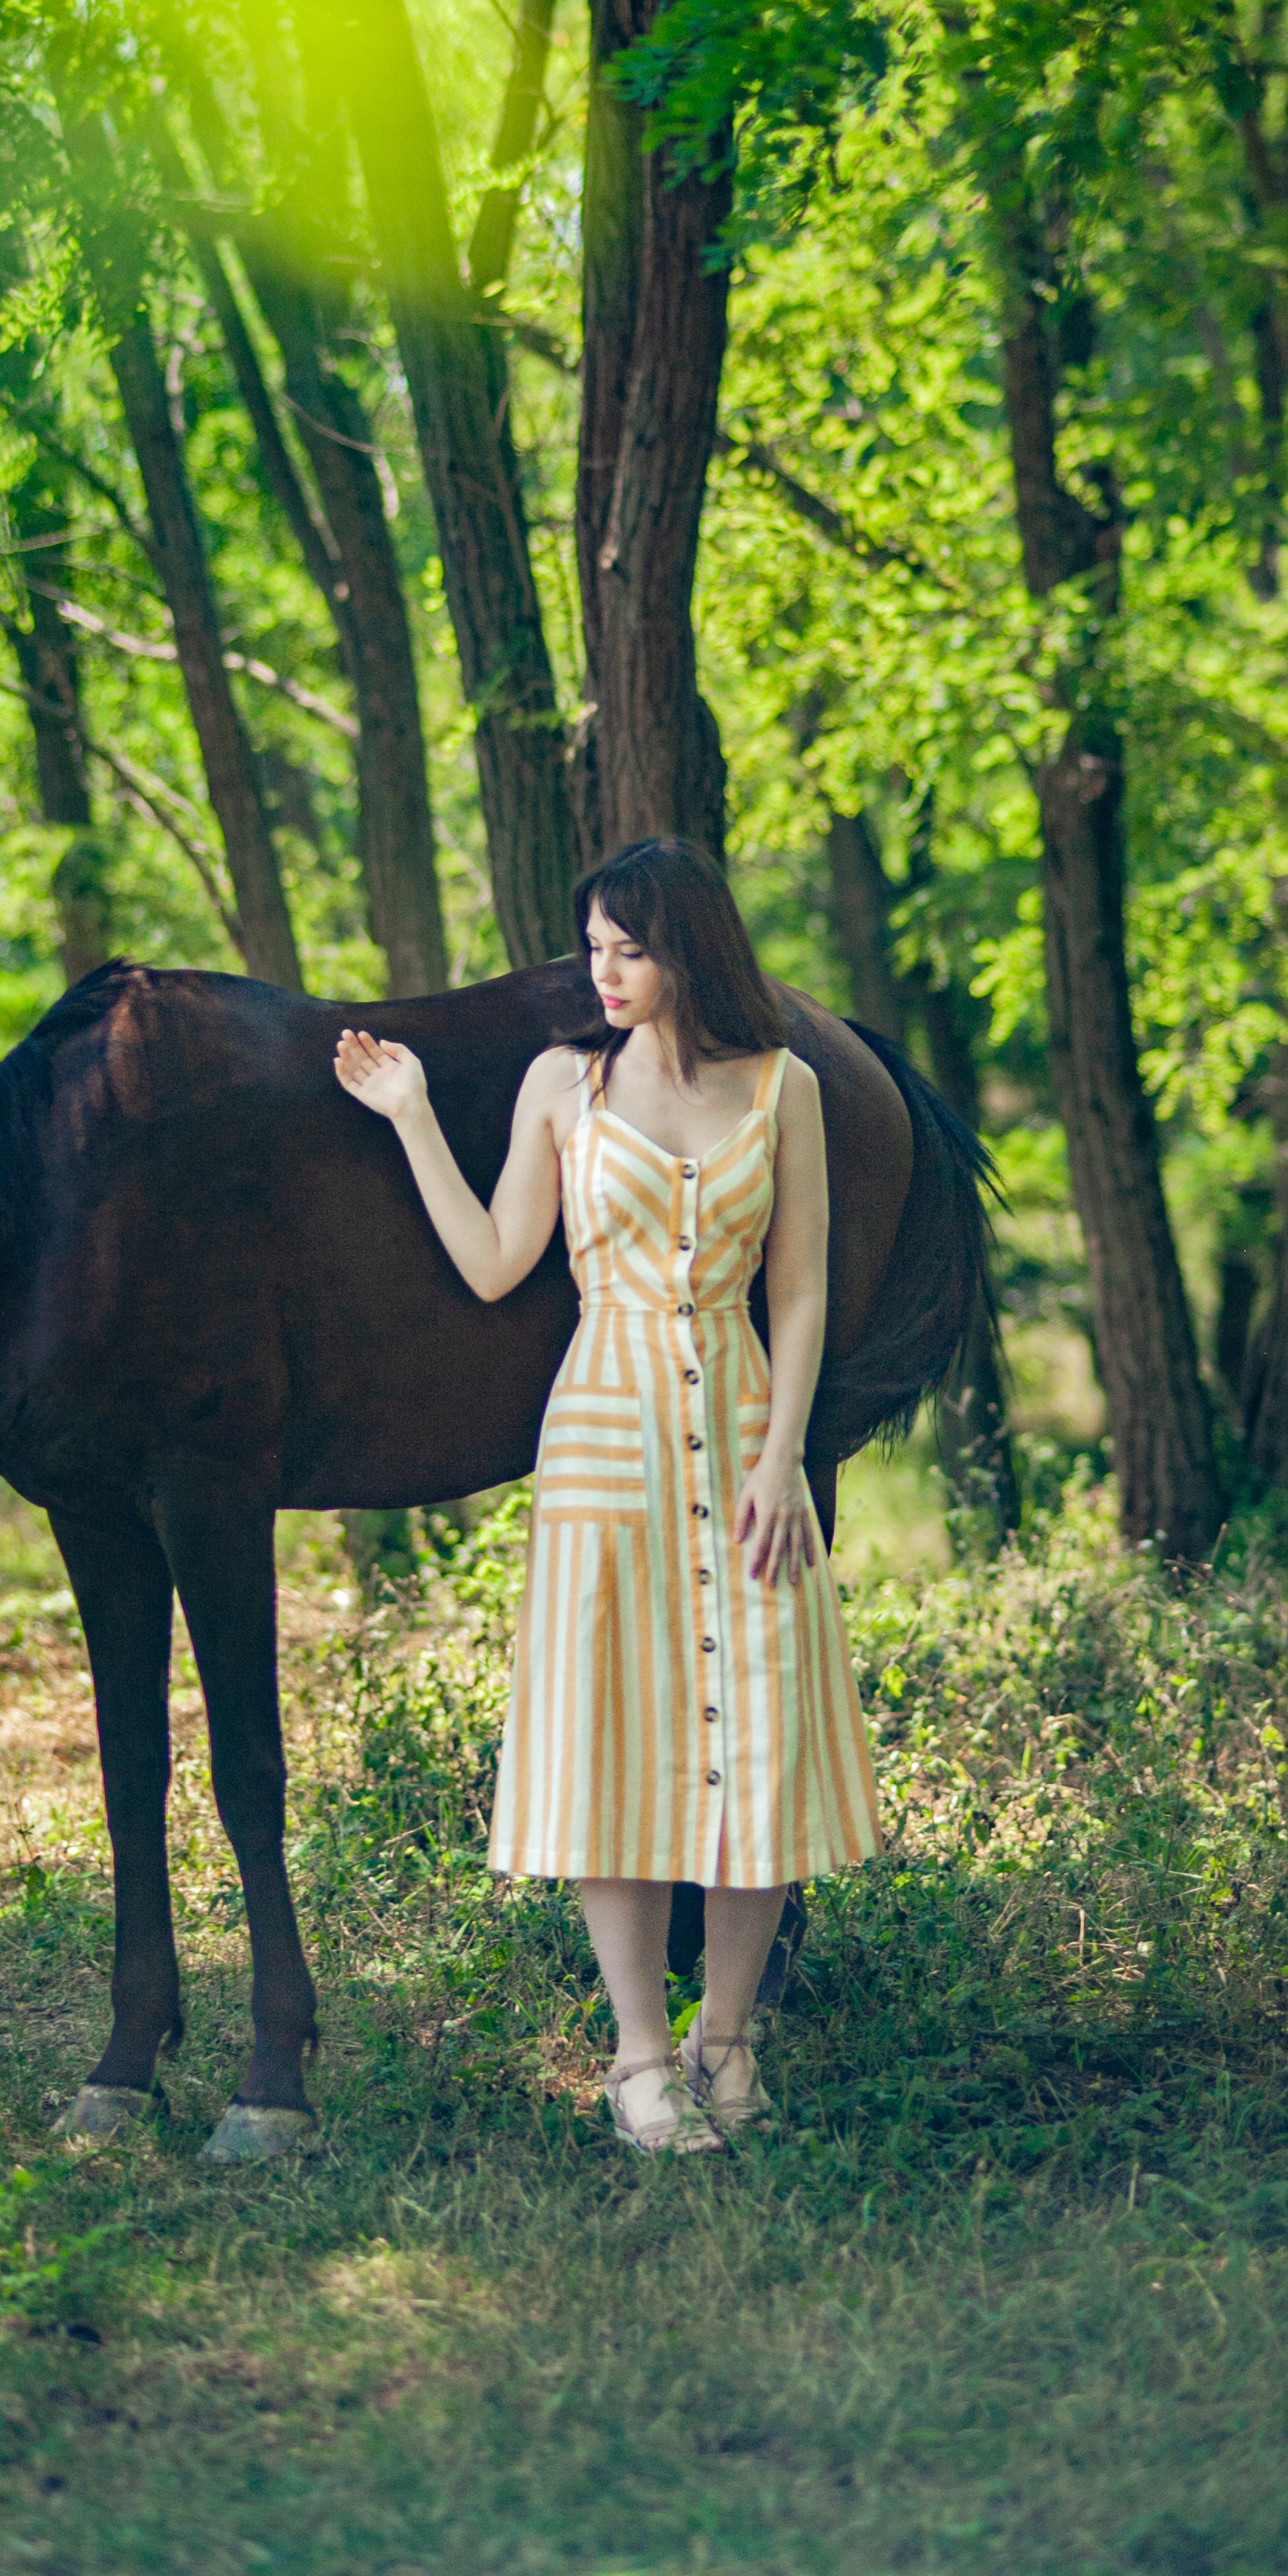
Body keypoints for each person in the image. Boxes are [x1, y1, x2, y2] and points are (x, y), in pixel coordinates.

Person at [334, 837, 881, 2153]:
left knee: (762, 1736)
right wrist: (412, 1116)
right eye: (596, 950)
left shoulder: (785, 1087)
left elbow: (801, 1287)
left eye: (631, 950)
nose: (607, 974)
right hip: (600, 1441)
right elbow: (492, 1262)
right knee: (611, 1740)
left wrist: (783, 1458)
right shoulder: (562, 1085)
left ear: (691, 949)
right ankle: (639, 2058)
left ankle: (726, 2045)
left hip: (744, 1431)